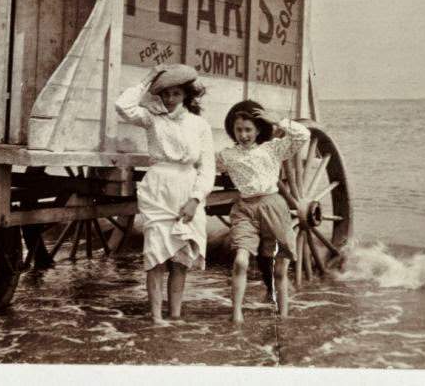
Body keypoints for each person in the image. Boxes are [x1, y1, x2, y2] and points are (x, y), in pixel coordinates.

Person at [115, 63, 215, 324]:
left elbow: (207, 168)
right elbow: (123, 106)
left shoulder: (199, 125)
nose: (170, 99)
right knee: (156, 256)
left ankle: (176, 314)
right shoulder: (152, 119)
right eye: (166, 94)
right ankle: (157, 317)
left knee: (181, 259)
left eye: (176, 94)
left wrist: (195, 200)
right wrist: (148, 79)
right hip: (158, 189)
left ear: (186, 96)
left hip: (187, 189)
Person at [216, 100, 311, 323]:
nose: (243, 134)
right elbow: (204, 166)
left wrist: (277, 121)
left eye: (248, 129)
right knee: (240, 260)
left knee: (279, 269)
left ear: (258, 130)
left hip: (273, 206)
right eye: (239, 129)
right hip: (245, 208)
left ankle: (283, 315)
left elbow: (303, 135)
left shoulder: (272, 148)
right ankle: (236, 315)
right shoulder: (227, 155)